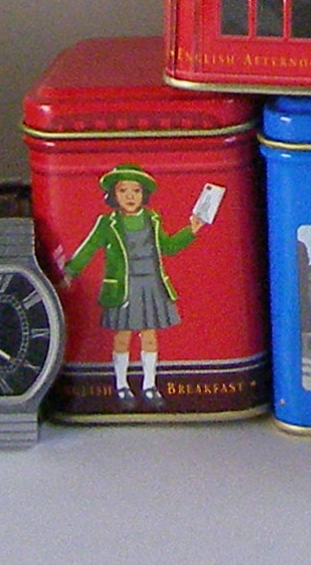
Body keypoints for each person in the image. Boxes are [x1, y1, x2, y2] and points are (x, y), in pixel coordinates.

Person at [60, 165, 208, 409]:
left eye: (136, 191)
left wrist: (191, 230)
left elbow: (168, 247)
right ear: (113, 195)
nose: (130, 196)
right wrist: (70, 272)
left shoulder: (153, 219)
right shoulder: (107, 223)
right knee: (123, 336)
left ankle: (149, 385)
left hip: (151, 283)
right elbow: (89, 247)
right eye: (123, 191)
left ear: (144, 194)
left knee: (149, 335)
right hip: (123, 286)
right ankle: (121, 385)